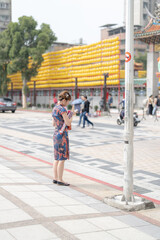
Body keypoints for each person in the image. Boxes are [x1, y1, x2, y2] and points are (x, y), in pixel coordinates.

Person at [52, 91, 73, 186]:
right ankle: (60, 179)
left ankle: (55, 178)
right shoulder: (62, 109)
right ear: (64, 100)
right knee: (62, 158)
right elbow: (68, 123)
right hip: (62, 135)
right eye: (67, 101)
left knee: (56, 158)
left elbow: (53, 123)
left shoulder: (55, 108)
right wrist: (72, 116)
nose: (68, 103)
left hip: (56, 133)